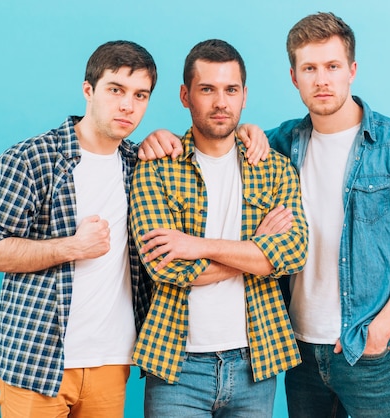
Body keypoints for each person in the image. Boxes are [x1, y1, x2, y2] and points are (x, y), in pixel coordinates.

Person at [141, 12, 390, 418]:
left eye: (332, 66)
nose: (321, 80)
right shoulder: (281, 144)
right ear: (294, 76)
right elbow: (222, 136)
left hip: (369, 348)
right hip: (298, 350)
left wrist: (382, 328)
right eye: (309, 68)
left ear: (352, 71)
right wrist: (157, 139)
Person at [0, 40, 269, 418]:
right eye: (116, 90)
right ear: (88, 90)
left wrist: (248, 130)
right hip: (37, 359)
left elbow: (214, 139)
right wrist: (72, 247)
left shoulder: (141, 163)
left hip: (112, 361)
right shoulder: (32, 159)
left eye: (140, 95)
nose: (128, 105)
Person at [129, 39, 308, 418]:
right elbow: (165, 267)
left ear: (244, 95)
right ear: (185, 95)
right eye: (207, 89)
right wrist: (258, 252)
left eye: (231, 89)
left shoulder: (273, 168)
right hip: (177, 365)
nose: (220, 102)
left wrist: (198, 245)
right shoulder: (157, 166)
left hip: (254, 362)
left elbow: (293, 253)